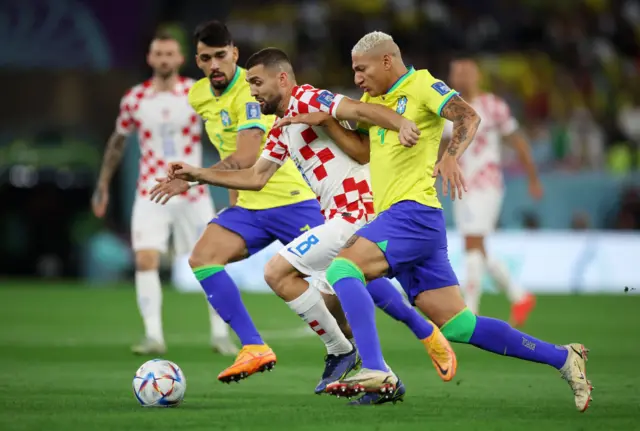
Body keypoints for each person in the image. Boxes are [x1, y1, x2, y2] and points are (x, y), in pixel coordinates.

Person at [150, 47, 456, 405]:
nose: (252, 92)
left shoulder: (309, 97)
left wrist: (401, 122)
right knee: (332, 308)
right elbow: (256, 176)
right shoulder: (282, 128)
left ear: (282, 78)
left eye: (257, 82)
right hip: (337, 216)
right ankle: (384, 380)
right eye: (249, 85)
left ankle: (342, 353)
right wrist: (197, 175)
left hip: (358, 209)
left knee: (277, 272)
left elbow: (360, 109)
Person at [310, 31, 591, 412]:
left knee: (343, 269)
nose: (357, 78)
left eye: (362, 69)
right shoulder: (373, 101)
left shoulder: (423, 85)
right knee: (459, 325)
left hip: (412, 214)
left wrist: (452, 155)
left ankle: (375, 370)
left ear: (387, 61)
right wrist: (327, 124)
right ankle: (564, 357)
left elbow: (467, 115)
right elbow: (363, 151)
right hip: (411, 222)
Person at [91, 31, 236, 356]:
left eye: (170, 54)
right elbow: (117, 143)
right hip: (151, 191)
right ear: (150, 58)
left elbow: (223, 132)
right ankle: (154, 335)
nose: (164, 60)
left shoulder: (196, 93)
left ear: (180, 59)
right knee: (145, 259)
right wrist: (103, 184)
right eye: (159, 54)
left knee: (211, 261)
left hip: (193, 192)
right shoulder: (135, 98)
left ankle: (220, 334)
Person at [443, 57, 542, 325]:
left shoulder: (493, 106)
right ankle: (519, 295)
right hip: (461, 183)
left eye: (467, 72)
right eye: (457, 72)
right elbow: (441, 146)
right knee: (477, 245)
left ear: (477, 76)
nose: (462, 77)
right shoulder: (448, 107)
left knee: (472, 243)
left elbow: (518, 141)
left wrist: (533, 177)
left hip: (486, 184)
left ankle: (470, 310)